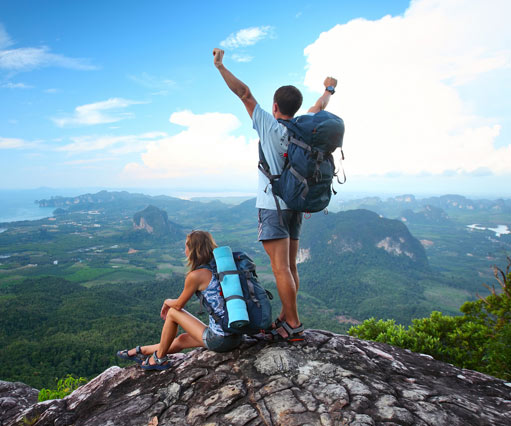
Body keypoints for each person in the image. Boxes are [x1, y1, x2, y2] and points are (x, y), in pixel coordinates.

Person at [213, 47, 337, 341]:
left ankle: (292, 324)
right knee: (290, 266)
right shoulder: (302, 128)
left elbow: (244, 93)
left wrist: (220, 66)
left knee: (280, 267)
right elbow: (319, 108)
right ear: (296, 107)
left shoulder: (269, 125)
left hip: (273, 206)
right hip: (296, 204)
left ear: (274, 105)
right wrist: (329, 89)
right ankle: (286, 314)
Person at [116, 230, 242, 370]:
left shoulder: (196, 275)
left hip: (221, 340)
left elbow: (178, 305)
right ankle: (142, 351)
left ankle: (159, 358)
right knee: (182, 339)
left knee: (172, 313)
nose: (184, 250)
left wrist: (166, 301)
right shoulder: (222, 268)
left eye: (186, 247)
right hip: (237, 335)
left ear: (193, 250)